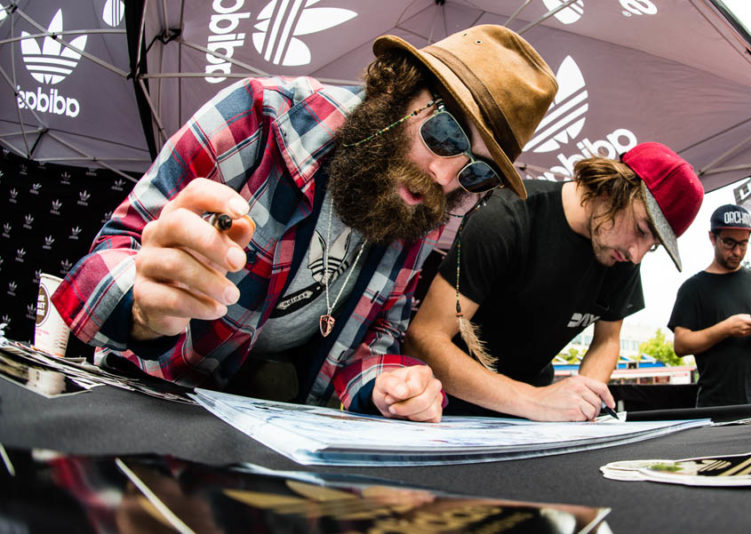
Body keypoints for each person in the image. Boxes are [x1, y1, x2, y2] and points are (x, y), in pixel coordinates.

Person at [50, 25, 558, 422]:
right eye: (446, 133)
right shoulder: (257, 118)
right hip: (155, 401)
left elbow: (374, 339)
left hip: (273, 436)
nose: (446, 174)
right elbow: (101, 262)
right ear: (398, 91)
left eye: (478, 169)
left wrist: (387, 383)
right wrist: (141, 301)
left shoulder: (433, 211)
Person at [404, 142, 704, 421]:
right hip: (449, 410)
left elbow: (608, 339)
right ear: (612, 189)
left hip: (538, 418)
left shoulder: (620, 251)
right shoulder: (506, 218)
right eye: (641, 229)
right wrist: (533, 401)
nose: (637, 255)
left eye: (652, 244)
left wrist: (585, 398)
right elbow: (424, 338)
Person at [668, 204, 751, 407]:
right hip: (720, 404)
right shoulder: (693, 288)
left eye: (744, 244)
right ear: (712, 238)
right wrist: (726, 329)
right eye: (729, 243)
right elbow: (681, 345)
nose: (737, 251)